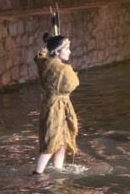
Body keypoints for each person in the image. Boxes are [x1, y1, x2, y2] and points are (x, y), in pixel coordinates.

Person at [33, 33, 79, 174]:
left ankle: (58, 169)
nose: (70, 52)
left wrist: (47, 44)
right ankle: (37, 173)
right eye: (67, 49)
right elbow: (73, 84)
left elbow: (39, 56)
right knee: (53, 140)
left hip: (48, 104)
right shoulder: (64, 69)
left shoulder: (44, 63)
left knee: (62, 140)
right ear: (57, 52)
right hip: (57, 107)